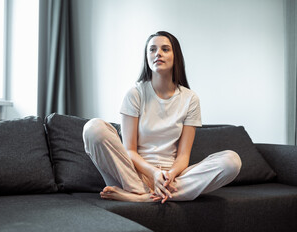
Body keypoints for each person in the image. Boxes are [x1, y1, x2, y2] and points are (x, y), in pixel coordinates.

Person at [82, 31, 241, 203]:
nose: (158, 53)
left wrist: (168, 176)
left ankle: (142, 199)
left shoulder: (190, 99)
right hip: (131, 174)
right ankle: (147, 193)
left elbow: (183, 157)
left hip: (172, 178)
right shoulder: (135, 94)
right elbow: (130, 151)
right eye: (152, 50)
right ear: (147, 57)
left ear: (176, 57)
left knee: (232, 161)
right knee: (93, 128)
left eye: (165, 49)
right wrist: (154, 173)